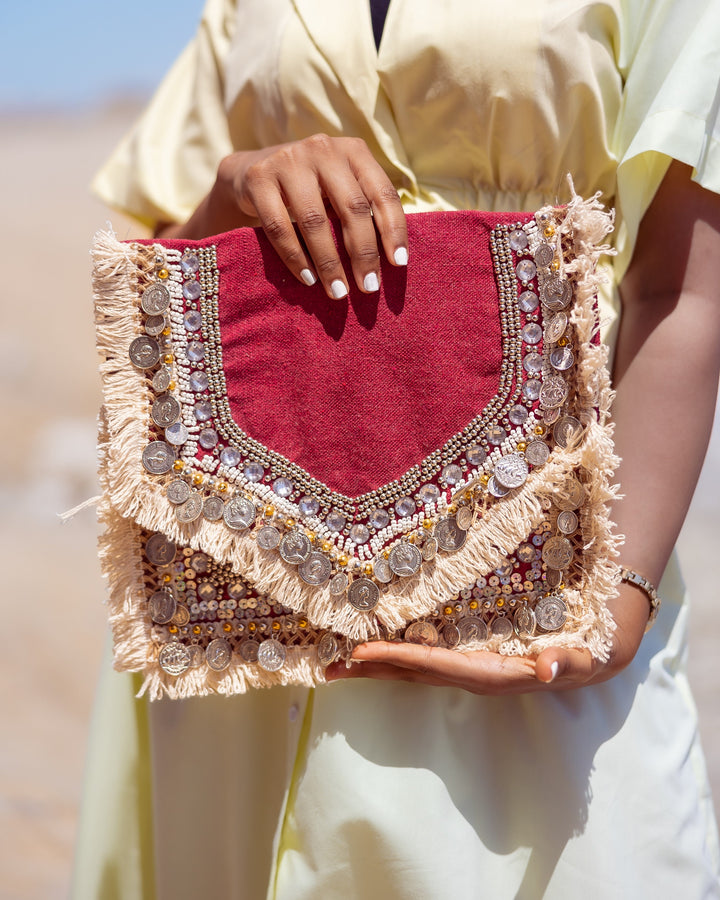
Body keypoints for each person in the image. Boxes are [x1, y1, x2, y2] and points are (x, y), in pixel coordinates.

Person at [73, 0, 720, 897]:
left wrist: (614, 613)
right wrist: (237, 187)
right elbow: (163, 279)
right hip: (248, 600)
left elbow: (680, 288)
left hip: (541, 582)